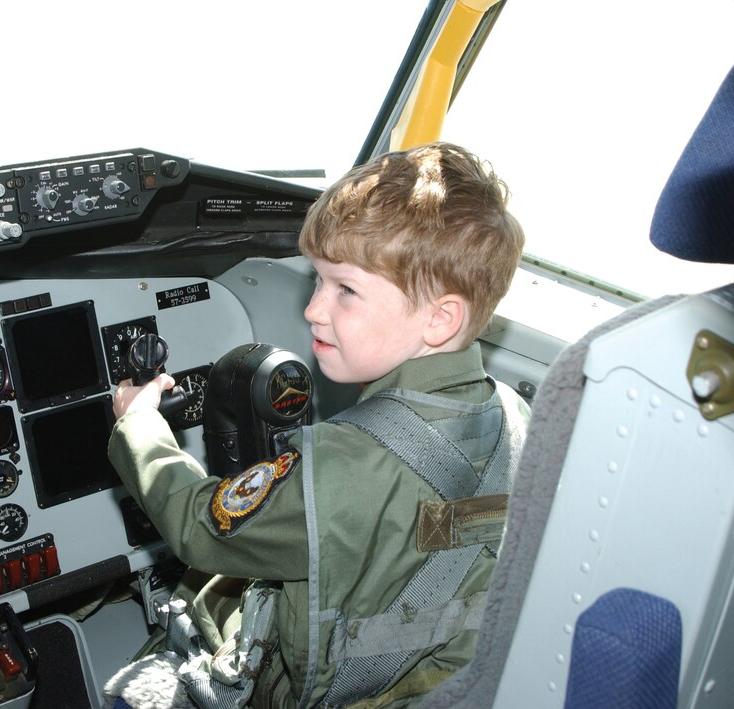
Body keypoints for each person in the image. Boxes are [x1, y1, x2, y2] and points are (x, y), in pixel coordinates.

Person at [105, 142, 529, 708]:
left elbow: (196, 526)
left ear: (440, 318)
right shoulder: (513, 415)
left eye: (345, 289)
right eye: (318, 281)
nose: (313, 309)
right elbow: (433, 532)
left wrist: (139, 424)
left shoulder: (342, 468)